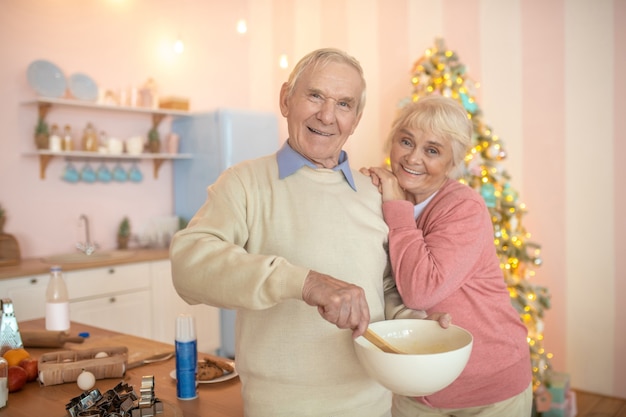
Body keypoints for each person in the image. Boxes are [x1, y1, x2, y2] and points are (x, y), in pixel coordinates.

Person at [170, 48, 439, 417]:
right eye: (315, 96)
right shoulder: (244, 183)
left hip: (372, 406)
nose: (327, 115)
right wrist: (304, 282)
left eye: (344, 104)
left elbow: (387, 290)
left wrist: (421, 327)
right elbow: (188, 265)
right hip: (278, 407)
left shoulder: (376, 192)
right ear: (286, 99)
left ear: (356, 119)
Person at [361, 95, 533, 417]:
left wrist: (397, 209)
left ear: (452, 162)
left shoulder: (463, 207)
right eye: (406, 141)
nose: (412, 158)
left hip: (489, 388)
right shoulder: (381, 194)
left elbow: (421, 290)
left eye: (432, 150)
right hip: (416, 382)